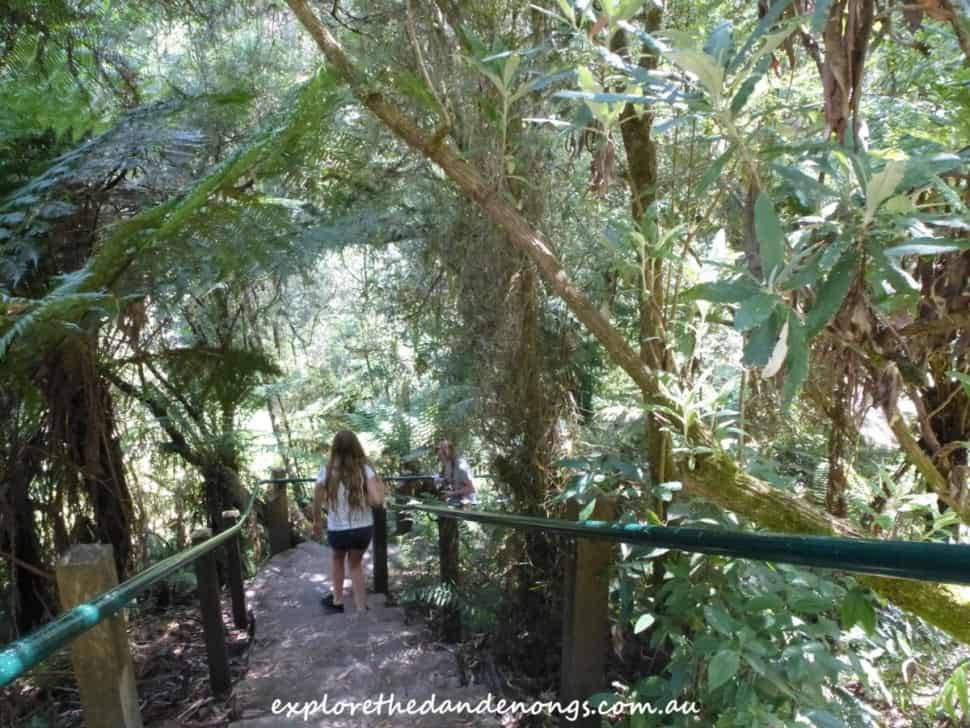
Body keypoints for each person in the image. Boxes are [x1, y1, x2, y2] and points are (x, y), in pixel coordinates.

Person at [312, 430, 385, 613]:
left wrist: (317, 520)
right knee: (355, 564)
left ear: (335, 448)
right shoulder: (365, 469)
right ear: (356, 446)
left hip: (338, 529)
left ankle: (337, 601)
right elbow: (377, 501)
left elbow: (317, 496)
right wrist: (366, 496)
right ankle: (361, 607)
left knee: (337, 559)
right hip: (363, 528)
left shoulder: (327, 469)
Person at [435, 439, 476, 507]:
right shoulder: (447, 465)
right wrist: (440, 481)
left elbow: (471, 488)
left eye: (443, 449)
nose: (440, 452)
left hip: (467, 502)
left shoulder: (460, 467)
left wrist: (452, 493)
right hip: (455, 498)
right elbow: (449, 480)